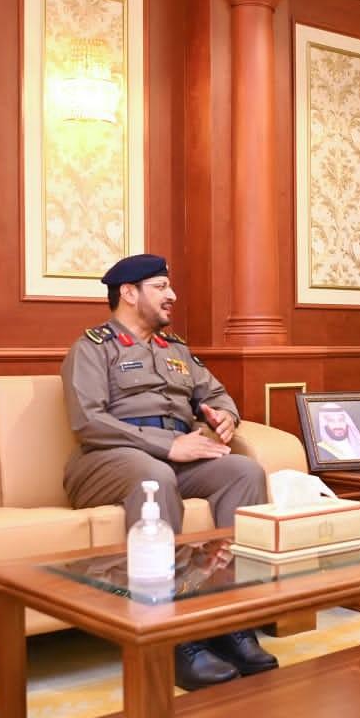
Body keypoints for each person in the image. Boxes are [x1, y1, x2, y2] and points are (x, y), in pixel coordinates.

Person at [60, 253, 278, 691]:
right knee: (152, 478)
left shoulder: (175, 349)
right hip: (108, 460)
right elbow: (89, 422)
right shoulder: (93, 348)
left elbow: (216, 393)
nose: (172, 295)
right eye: (160, 287)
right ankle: (171, 637)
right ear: (129, 293)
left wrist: (225, 416)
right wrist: (167, 445)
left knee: (243, 471)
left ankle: (231, 620)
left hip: (173, 459)